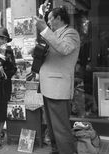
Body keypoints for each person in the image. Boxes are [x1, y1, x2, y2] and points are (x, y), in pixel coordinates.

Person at [34, 6, 80, 154]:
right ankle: (56, 150)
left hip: (58, 88)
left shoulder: (71, 33)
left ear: (59, 18)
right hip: (49, 86)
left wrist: (44, 30)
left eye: (50, 19)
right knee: (52, 126)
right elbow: (52, 53)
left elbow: (64, 49)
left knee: (60, 127)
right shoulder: (54, 34)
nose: (48, 22)